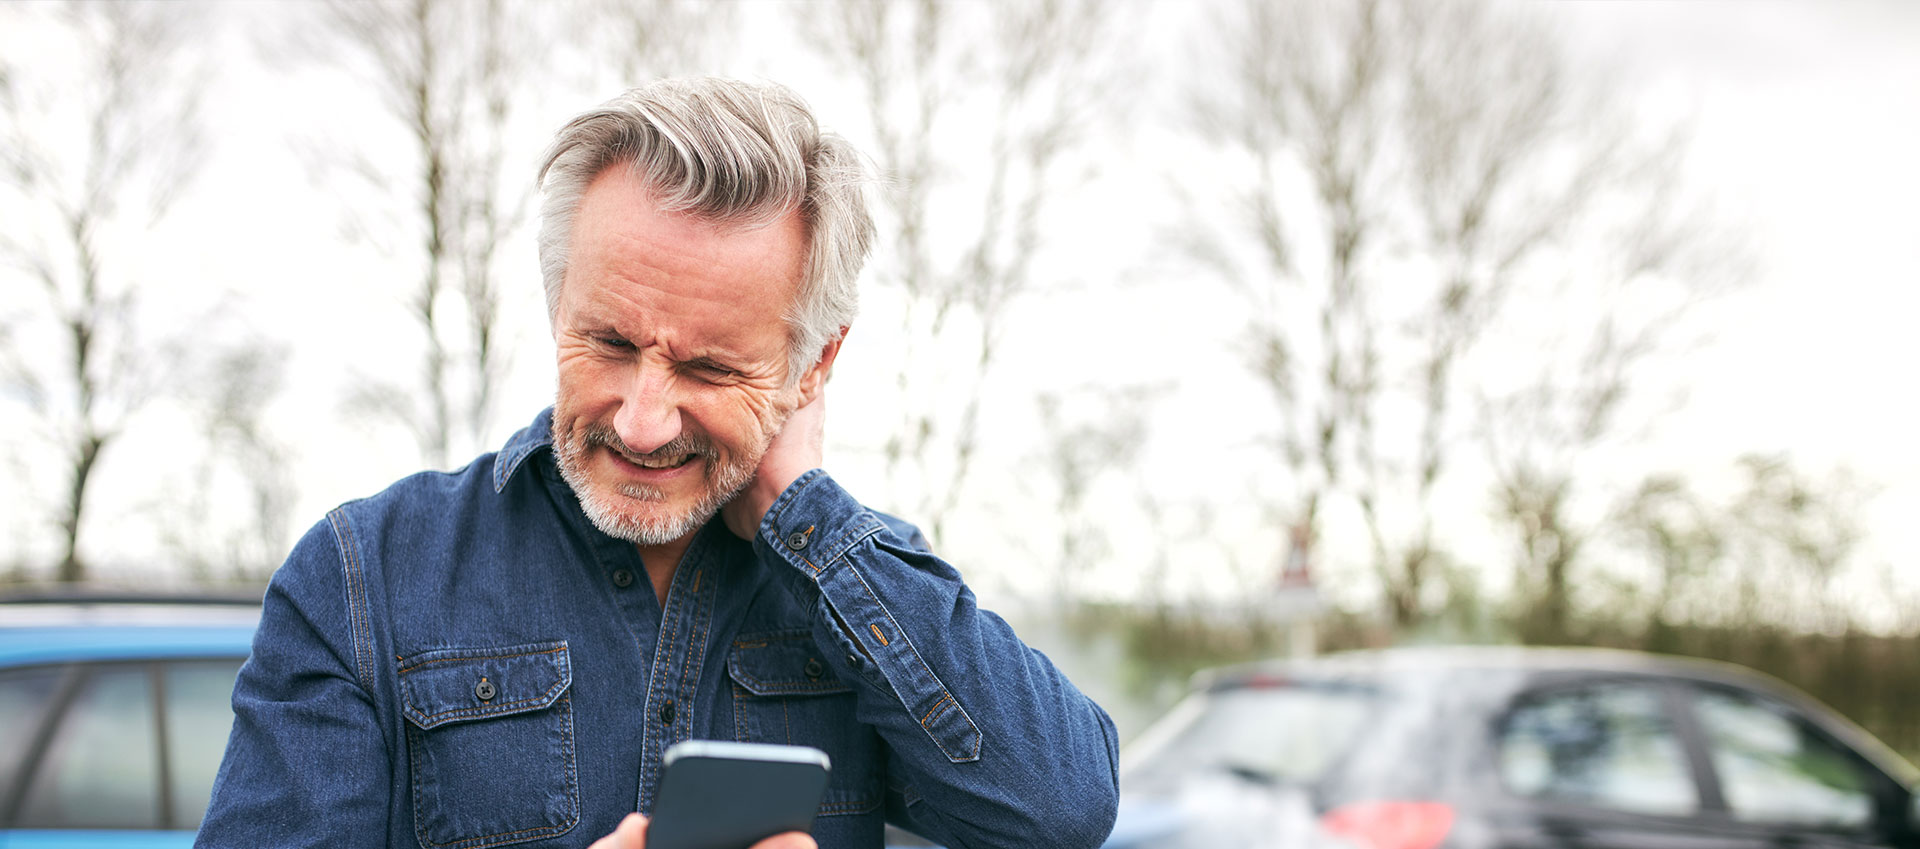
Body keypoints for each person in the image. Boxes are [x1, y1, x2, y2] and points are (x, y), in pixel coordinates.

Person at [195, 77, 1120, 849]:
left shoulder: (860, 594)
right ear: (557, 303)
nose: (641, 423)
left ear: (815, 365)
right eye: (607, 341)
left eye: (711, 366)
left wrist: (806, 515)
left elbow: (1063, 811)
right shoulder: (365, 579)